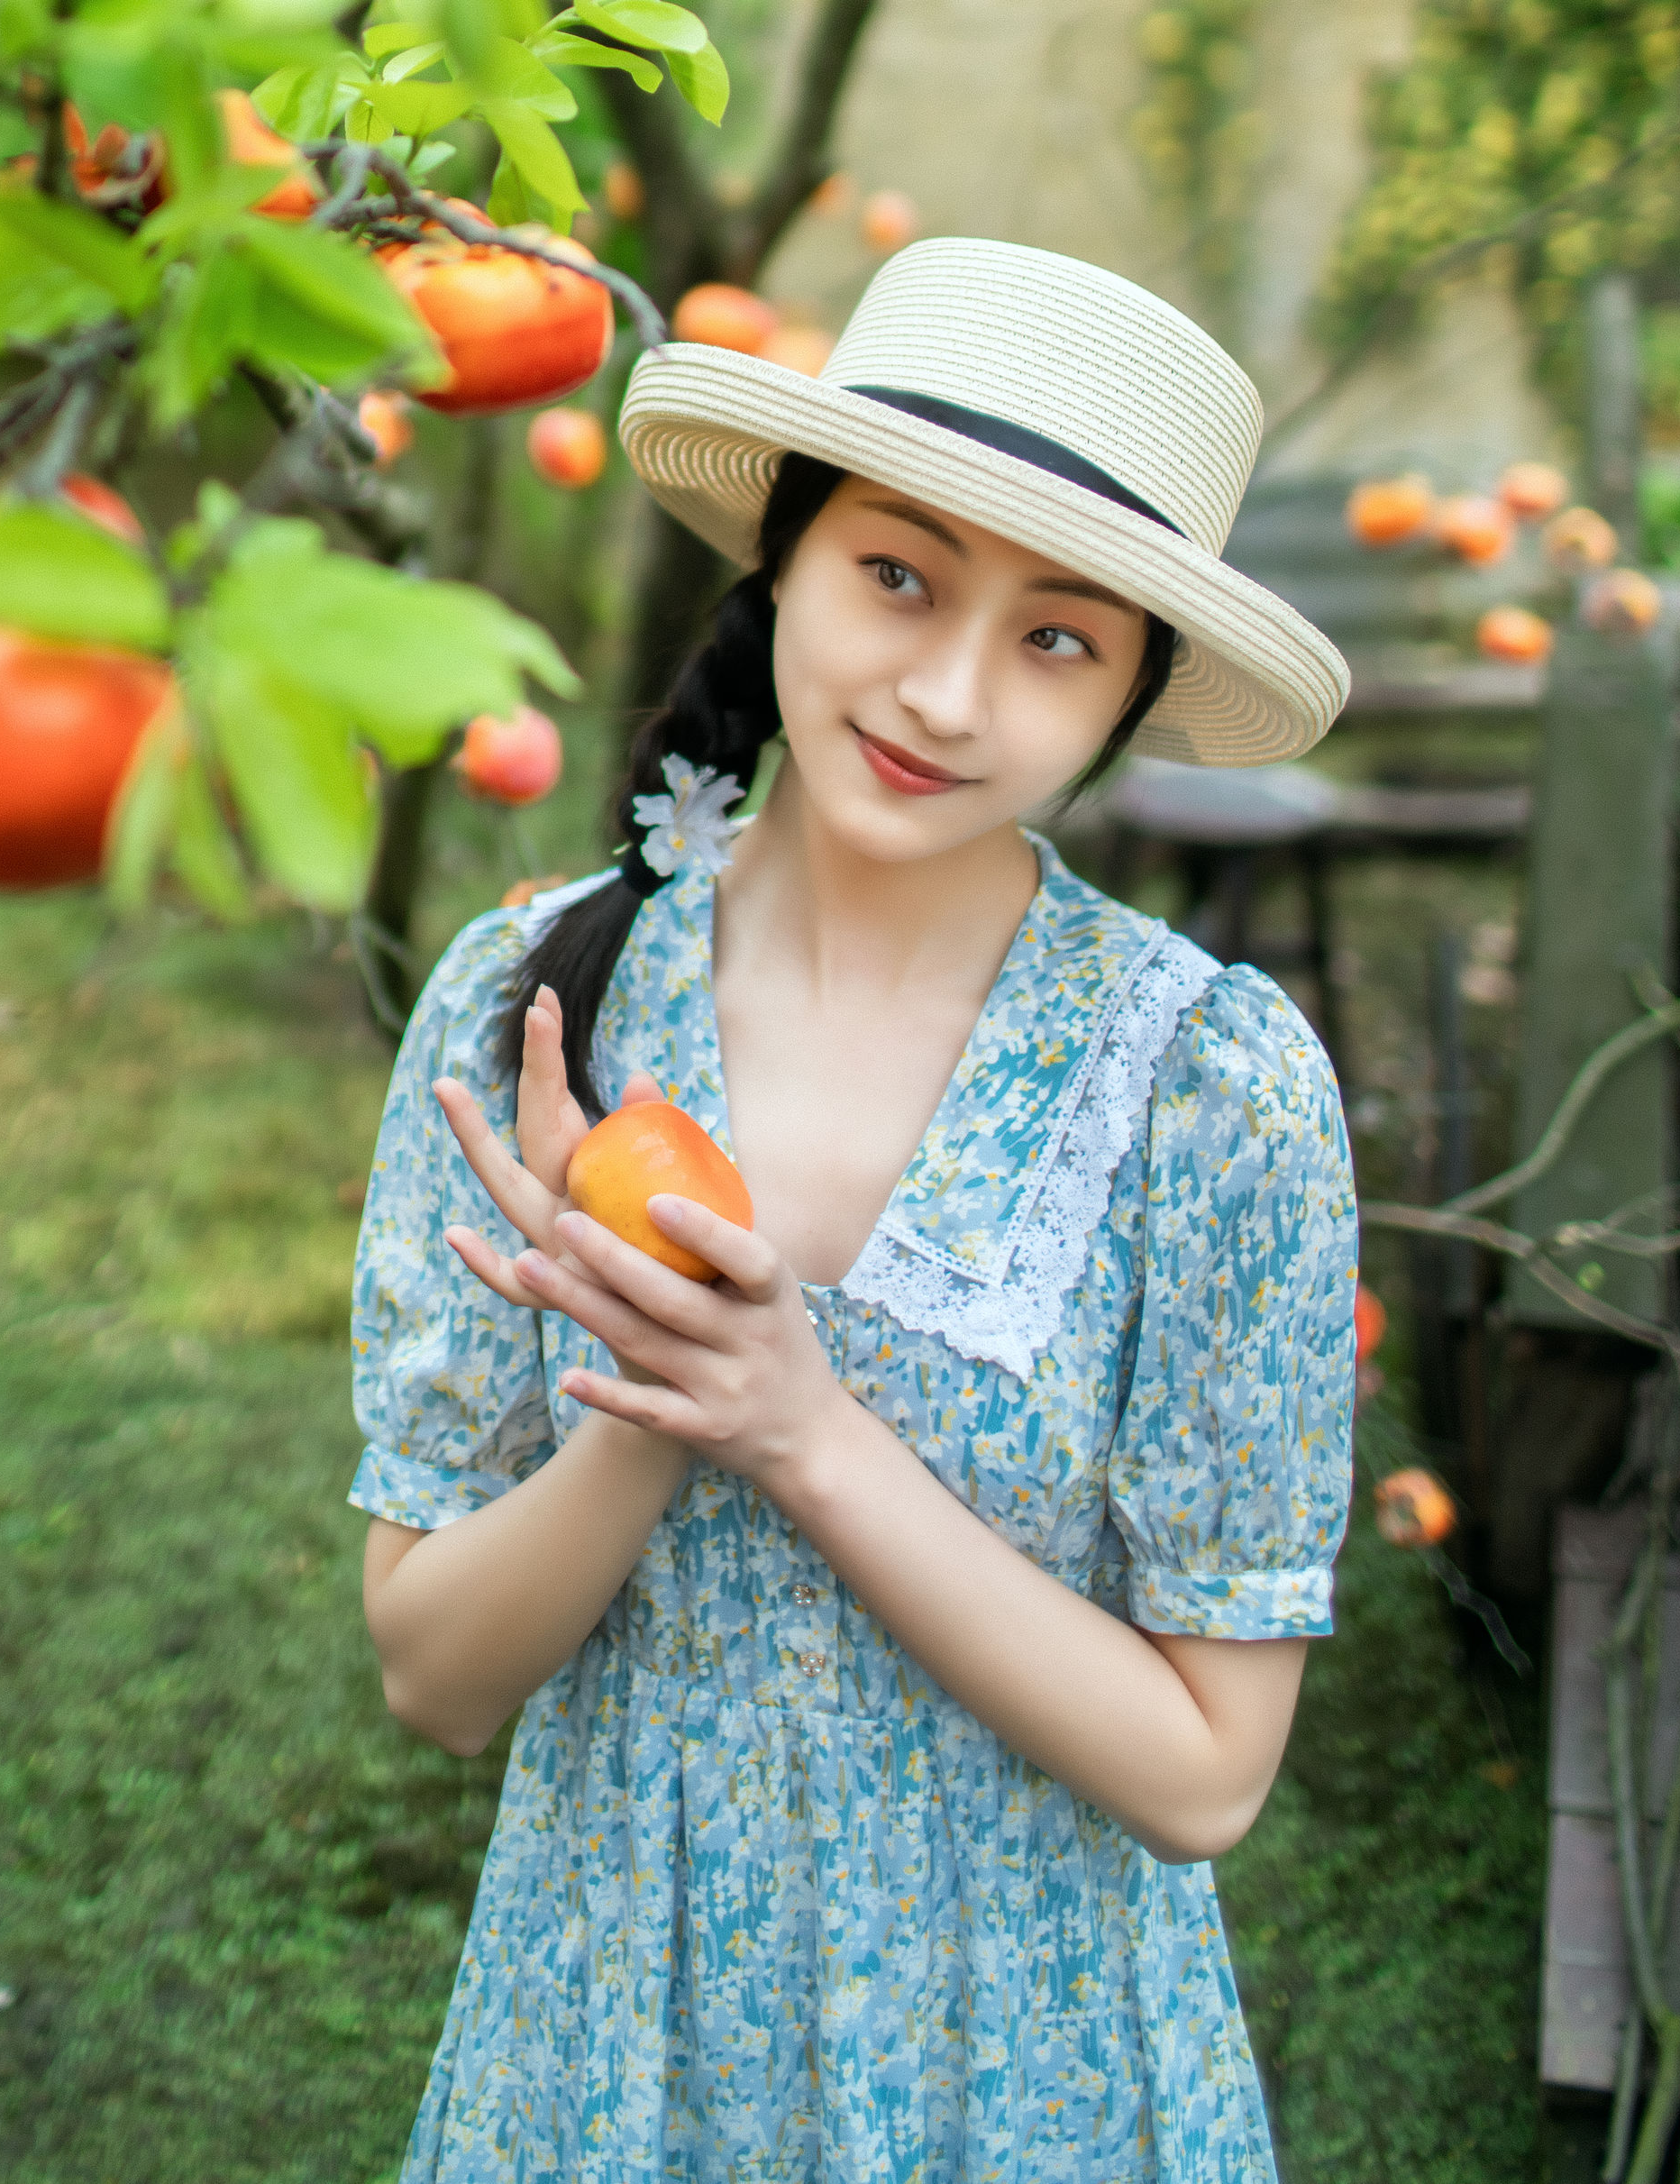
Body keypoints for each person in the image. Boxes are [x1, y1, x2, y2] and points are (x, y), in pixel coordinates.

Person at [350, 236, 1358, 2182]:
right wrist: (654, 1406)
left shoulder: (1210, 1086)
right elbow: (434, 1676)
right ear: (787, 560)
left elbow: (1209, 1769)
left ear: (1133, 690)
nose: (949, 692)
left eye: (1059, 638)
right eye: (896, 573)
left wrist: (800, 1427)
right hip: (604, 2042)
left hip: (1032, 2065)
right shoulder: (531, 1005)